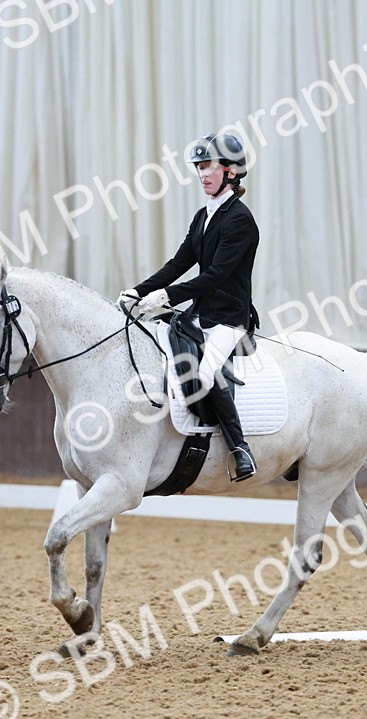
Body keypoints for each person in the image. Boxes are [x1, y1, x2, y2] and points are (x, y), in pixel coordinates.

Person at [119, 132, 260, 482]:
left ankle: (240, 449)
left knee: (207, 371)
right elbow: (178, 263)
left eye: (209, 167)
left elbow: (215, 276)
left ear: (230, 171)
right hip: (200, 314)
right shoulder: (203, 216)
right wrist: (138, 291)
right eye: (199, 167)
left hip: (229, 320)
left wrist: (168, 297)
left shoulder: (240, 220)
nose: (202, 174)